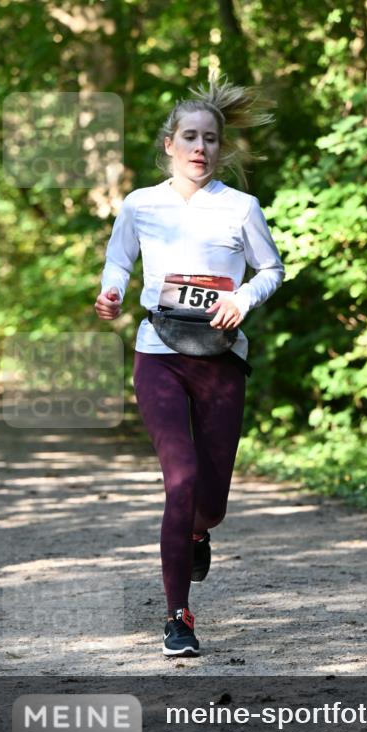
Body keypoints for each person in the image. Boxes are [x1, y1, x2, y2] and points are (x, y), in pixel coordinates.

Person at [94, 76, 284, 657]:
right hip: (159, 354)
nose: (200, 148)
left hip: (221, 360)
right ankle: (178, 617)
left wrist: (241, 299)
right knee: (178, 482)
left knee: (212, 501)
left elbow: (271, 270)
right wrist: (111, 293)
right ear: (170, 145)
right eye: (190, 137)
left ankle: (200, 530)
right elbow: (117, 259)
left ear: (220, 149)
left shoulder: (240, 207)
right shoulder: (141, 204)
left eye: (210, 139)